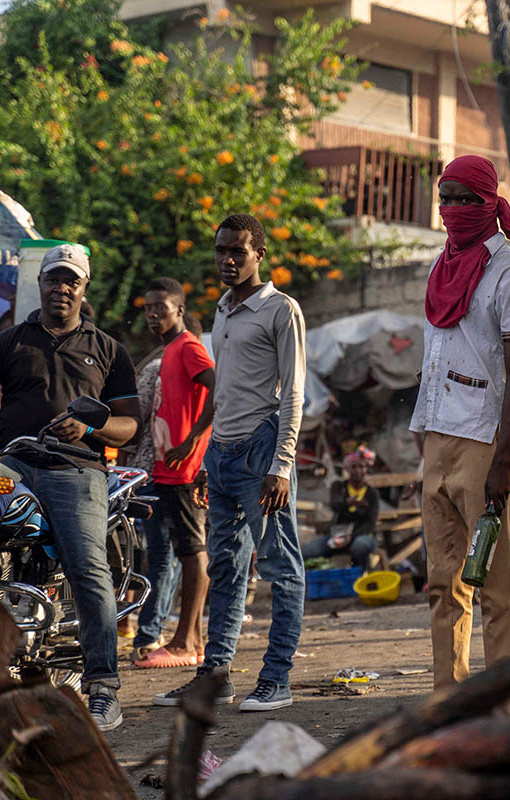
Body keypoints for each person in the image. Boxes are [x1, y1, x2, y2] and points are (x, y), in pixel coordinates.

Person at [0, 244, 140, 731]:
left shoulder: (109, 350)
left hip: (76, 469)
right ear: (42, 283)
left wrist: (92, 429)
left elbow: (129, 426)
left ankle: (103, 687)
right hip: (12, 464)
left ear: (84, 287)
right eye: (55, 279)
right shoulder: (9, 341)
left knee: (88, 565)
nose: (62, 287)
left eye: (71, 281)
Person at [155, 213, 306, 713]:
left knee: (281, 567)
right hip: (221, 456)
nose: (228, 259)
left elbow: (293, 393)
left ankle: (276, 679)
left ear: (259, 254)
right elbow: (224, 392)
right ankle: (214, 675)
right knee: (226, 567)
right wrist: (206, 455)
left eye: (238, 251)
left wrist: (281, 466)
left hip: (263, 449)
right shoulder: (221, 311)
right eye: (221, 250)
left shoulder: (280, 309)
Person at [409, 155, 510, 689]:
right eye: (447, 198)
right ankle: (448, 701)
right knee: (443, 584)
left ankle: (499, 709)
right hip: (436, 438)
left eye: (467, 199)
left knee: (496, 584)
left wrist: (503, 461)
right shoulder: (442, 266)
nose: (454, 209)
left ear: (490, 201)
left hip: (486, 443)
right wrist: (424, 439)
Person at [132, 278, 216, 669]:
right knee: (181, 552)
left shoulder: (188, 347)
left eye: (160, 308)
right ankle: (192, 640)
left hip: (184, 471)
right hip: (166, 470)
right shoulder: (167, 351)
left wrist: (192, 441)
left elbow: (219, 388)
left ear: (179, 310)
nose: (152, 315)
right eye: (148, 308)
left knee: (192, 553)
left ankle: (183, 643)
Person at [303, 447, 381, 569]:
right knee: (308, 551)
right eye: (354, 467)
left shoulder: (371, 493)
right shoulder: (338, 487)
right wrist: (347, 503)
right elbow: (335, 505)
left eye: (361, 467)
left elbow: (371, 522)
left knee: (361, 546)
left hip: (360, 535)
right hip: (336, 536)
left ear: (367, 469)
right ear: (347, 469)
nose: (358, 471)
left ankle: (358, 578)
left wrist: (352, 536)